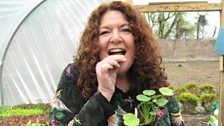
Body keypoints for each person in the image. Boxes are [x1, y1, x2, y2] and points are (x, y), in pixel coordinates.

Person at [48, 1, 184, 126]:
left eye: (125, 30)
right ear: (94, 42)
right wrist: (103, 94)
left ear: (138, 40)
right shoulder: (75, 77)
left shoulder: (155, 80)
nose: (115, 38)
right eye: (105, 32)